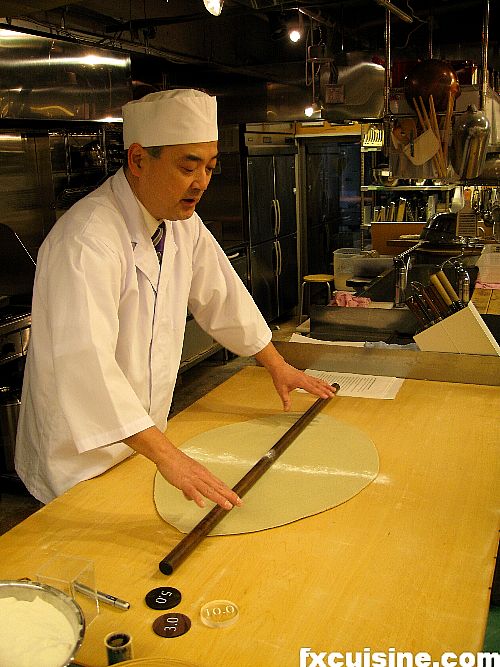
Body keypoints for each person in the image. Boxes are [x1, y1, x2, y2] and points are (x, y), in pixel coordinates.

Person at [15, 89, 335, 509]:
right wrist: (169, 457)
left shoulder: (180, 222)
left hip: (142, 443)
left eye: (209, 167)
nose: (201, 181)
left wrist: (276, 365)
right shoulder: (87, 241)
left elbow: (222, 294)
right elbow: (84, 363)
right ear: (138, 159)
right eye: (188, 166)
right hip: (78, 460)